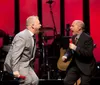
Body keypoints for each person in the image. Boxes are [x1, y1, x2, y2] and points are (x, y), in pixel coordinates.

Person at [4, 15, 41, 85]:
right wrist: (15, 70)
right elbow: (15, 55)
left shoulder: (32, 36)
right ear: (33, 26)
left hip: (25, 64)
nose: (40, 25)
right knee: (28, 81)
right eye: (39, 23)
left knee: (35, 80)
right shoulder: (22, 36)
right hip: (17, 63)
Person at [62, 20, 96, 85]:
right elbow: (70, 50)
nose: (70, 28)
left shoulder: (88, 38)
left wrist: (75, 48)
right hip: (75, 66)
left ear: (79, 28)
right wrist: (66, 55)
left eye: (73, 26)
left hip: (86, 66)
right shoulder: (73, 37)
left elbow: (88, 53)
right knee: (67, 82)